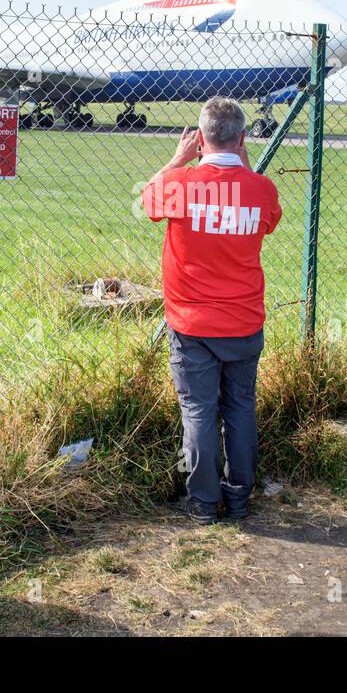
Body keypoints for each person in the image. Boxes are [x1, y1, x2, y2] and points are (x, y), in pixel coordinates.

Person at [141, 97, 282, 524]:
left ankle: (203, 502)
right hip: (243, 322)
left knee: (198, 411)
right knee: (240, 408)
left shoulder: (181, 183)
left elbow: (147, 200)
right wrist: (246, 166)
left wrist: (177, 159)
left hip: (192, 324)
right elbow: (268, 219)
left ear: (200, 139)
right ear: (242, 138)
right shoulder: (261, 189)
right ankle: (239, 496)